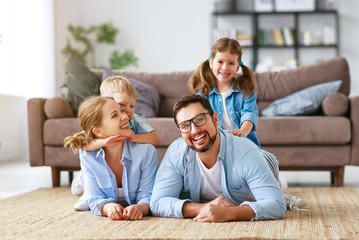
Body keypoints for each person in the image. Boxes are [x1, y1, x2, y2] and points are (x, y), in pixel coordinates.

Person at [187, 37, 307, 210]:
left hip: (244, 144)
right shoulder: (203, 93)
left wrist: (243, 131)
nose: (225, 68)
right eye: (220, 62)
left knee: (264, 165)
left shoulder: (246, 90)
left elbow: (249, 115)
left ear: (238, 66)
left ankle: (278, 194)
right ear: (211, 63)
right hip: (217, 147)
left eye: (231, 63)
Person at [150, 95, 286, 222]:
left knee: (276, 185)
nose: (195, 130)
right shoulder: (176, 152)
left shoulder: (246, 153)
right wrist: (203, 208)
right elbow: (157, 203)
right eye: (185, 125)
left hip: (263, 162)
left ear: (215, 120)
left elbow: (277, 205)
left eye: (199, 119)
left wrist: (230, 213)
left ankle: (279, 183)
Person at [71, 76, 160, 211]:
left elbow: (155, 138)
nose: (127, 113)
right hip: (91, 166)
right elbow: (82, 144)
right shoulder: (94, 130)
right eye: (121, 108)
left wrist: (132, 136)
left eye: (132, 106)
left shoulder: (134, 121)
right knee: (81, 185)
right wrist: (104, 142)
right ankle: (86, 193)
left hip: (127, 149)